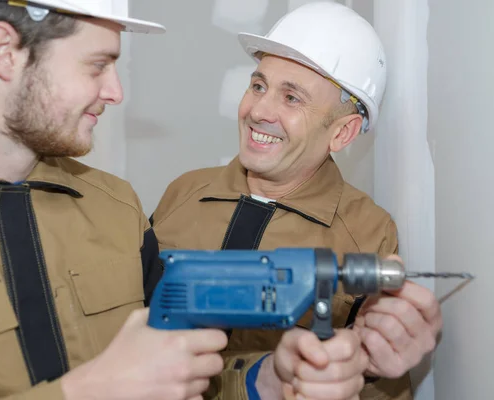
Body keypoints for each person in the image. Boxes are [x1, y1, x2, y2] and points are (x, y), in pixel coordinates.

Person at [0, 1, 369, 399]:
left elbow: (178, 377)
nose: (116, 91)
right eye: (97, 64)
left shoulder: (116, 210)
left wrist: (263, 380)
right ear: (3, 52)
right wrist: (87, 392)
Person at [150, 2, 443, 399]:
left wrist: (363, 367)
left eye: (292, 99)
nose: (259, 110)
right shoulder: (184, 193)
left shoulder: (367, 235)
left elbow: (380, 387)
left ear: (342, 133)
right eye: (258, 85)